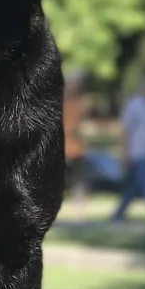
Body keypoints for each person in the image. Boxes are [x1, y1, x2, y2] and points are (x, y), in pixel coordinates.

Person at [111, 74, 145, 225]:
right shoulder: (134, 105)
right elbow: (125, 131)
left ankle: (118, 214)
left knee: (133, 187)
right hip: (138, 153)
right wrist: (125, 153)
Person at [63, 70, 88, 214]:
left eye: (76, 85)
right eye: (72, 84)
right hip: (61, 150)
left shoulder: (80, 103)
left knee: (80, 183)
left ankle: (80, 212)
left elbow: (80, 125)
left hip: (77, 150)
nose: (74, 87)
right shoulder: (57, 101)